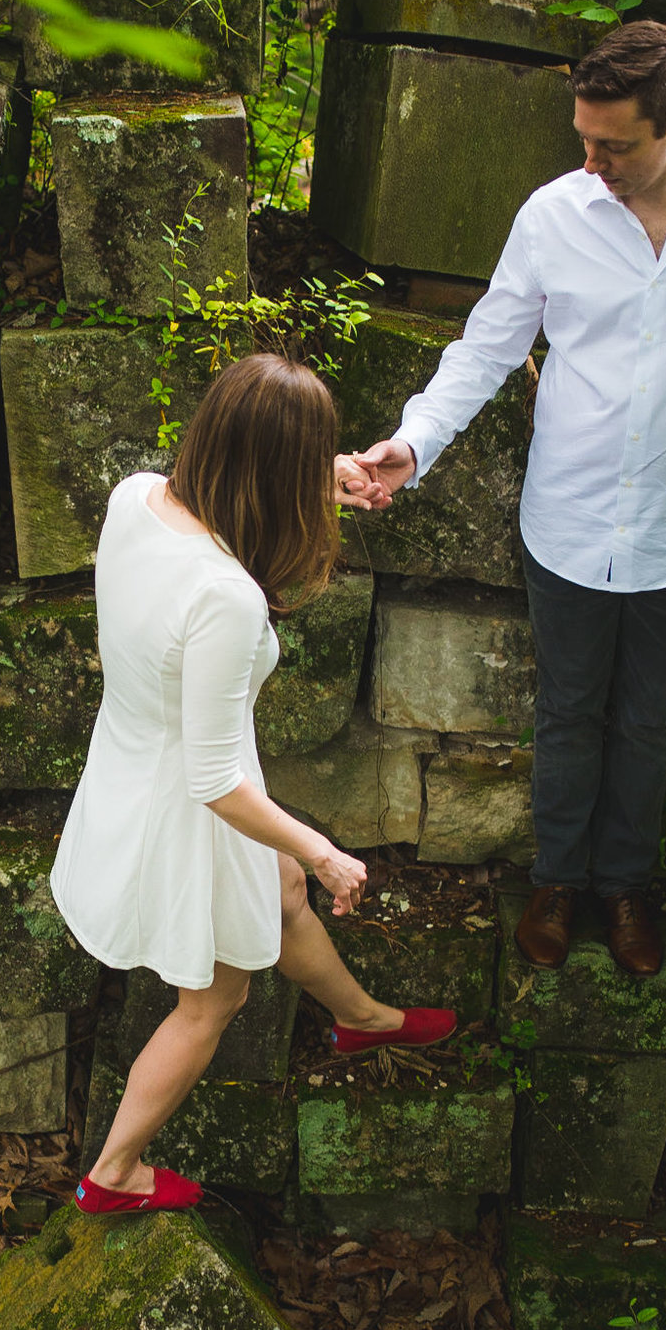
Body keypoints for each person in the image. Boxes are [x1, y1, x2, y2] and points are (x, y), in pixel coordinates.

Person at [339, 19, 666, 978]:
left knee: (649, 716)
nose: (592, 160)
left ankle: (626, 887)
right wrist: (412, 442)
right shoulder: (554, 215)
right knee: (566, 711)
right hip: (565, 521)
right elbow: (486, 346)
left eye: (615, 144)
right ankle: (558, 879)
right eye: (583, 140)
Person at [51, 353, 457, 1215]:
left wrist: (324, 477)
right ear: (275, 467)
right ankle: (115, 1171)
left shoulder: (135, 497)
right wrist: (324, 850)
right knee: (218, 996)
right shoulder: (227, 598)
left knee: (275, 892)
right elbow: (211, 781)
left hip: (127, 764)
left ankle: (361, 1018)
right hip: (188, 803)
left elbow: (240, 492)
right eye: (313, 456)